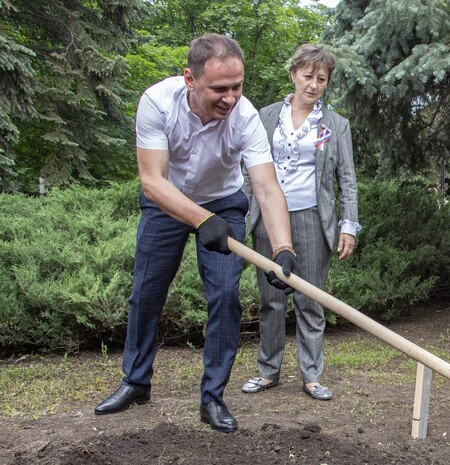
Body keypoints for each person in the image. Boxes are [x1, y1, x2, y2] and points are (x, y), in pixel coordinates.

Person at [94, 34, 298, 433]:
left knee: (225, 297)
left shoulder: (246, 117)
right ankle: (136, 382)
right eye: (219, 88)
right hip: (165, 200)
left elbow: (267, 187)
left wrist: (283, 248)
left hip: (223, 204)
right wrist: (198, 220)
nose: (230, 97)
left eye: (237, 86)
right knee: (146, 292)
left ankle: (212, 398)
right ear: (190, 79)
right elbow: (152, 181)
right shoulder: (156, 102)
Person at [240, 44, 360, 402]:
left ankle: (311, 375)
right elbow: (249, 173)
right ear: (293, 74)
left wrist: (348, 225)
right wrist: (241, 216)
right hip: (266, 219)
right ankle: (268, 371)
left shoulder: (337, 126)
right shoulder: (265, 116)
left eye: (321, 79)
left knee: (311, 300)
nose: (313, 84)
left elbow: (347, 180)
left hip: (312, 218)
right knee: (270, 300)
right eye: (307, 76)